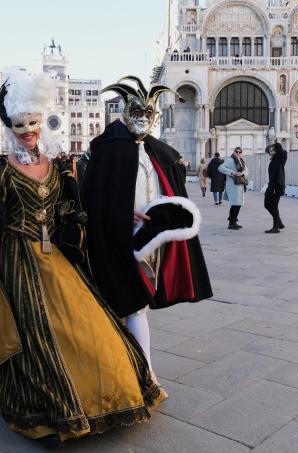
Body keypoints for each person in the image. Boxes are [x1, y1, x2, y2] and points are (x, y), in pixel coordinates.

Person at [0, 71, 165, 444]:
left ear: (42, 121)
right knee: (34, 331)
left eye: (33, 122)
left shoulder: (59, 167)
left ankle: (114, 388)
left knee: (89, 326)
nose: (28, 130)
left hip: (56, 257)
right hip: (17, 260)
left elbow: (80, 206)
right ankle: (54, 407)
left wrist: (122, 211)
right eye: (21, 124)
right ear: (10, 124)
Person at [82, 75, 212, 373]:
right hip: (119, 238)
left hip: (153, 242)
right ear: (127, 112)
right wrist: (121, 210)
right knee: (132, 304)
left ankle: (135, 370)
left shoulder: (158, 151)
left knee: (138, 304)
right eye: (137, 113)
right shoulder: (108, 149)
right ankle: (141, 373)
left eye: (148, 114)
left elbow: (170, 188)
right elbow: (92, 195)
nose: (143, 119)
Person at [218, 147, 248, 230]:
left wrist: (242, 173)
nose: (238, 153)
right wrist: (232, 172)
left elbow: (247, 170)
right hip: (232, 185)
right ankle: (231, 223)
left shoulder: (242, 160)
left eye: (240, 152)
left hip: (240, 184)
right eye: (236, 151)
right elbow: (220, 168)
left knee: (238, 204)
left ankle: (234, 221)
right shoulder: (230, 160)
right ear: (234, 152)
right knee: (235, 204)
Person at [264, 142, 287, 233]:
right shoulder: (273, 160)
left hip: (275, 186)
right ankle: (278, 223)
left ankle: (276, 226)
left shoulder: (280, 158)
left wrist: (274, 144)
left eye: (273, 150)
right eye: (269, 151)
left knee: (272, 206)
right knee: (270, 205)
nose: (271, 152)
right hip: (271, 185)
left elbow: (282, 150)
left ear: (276, 150)